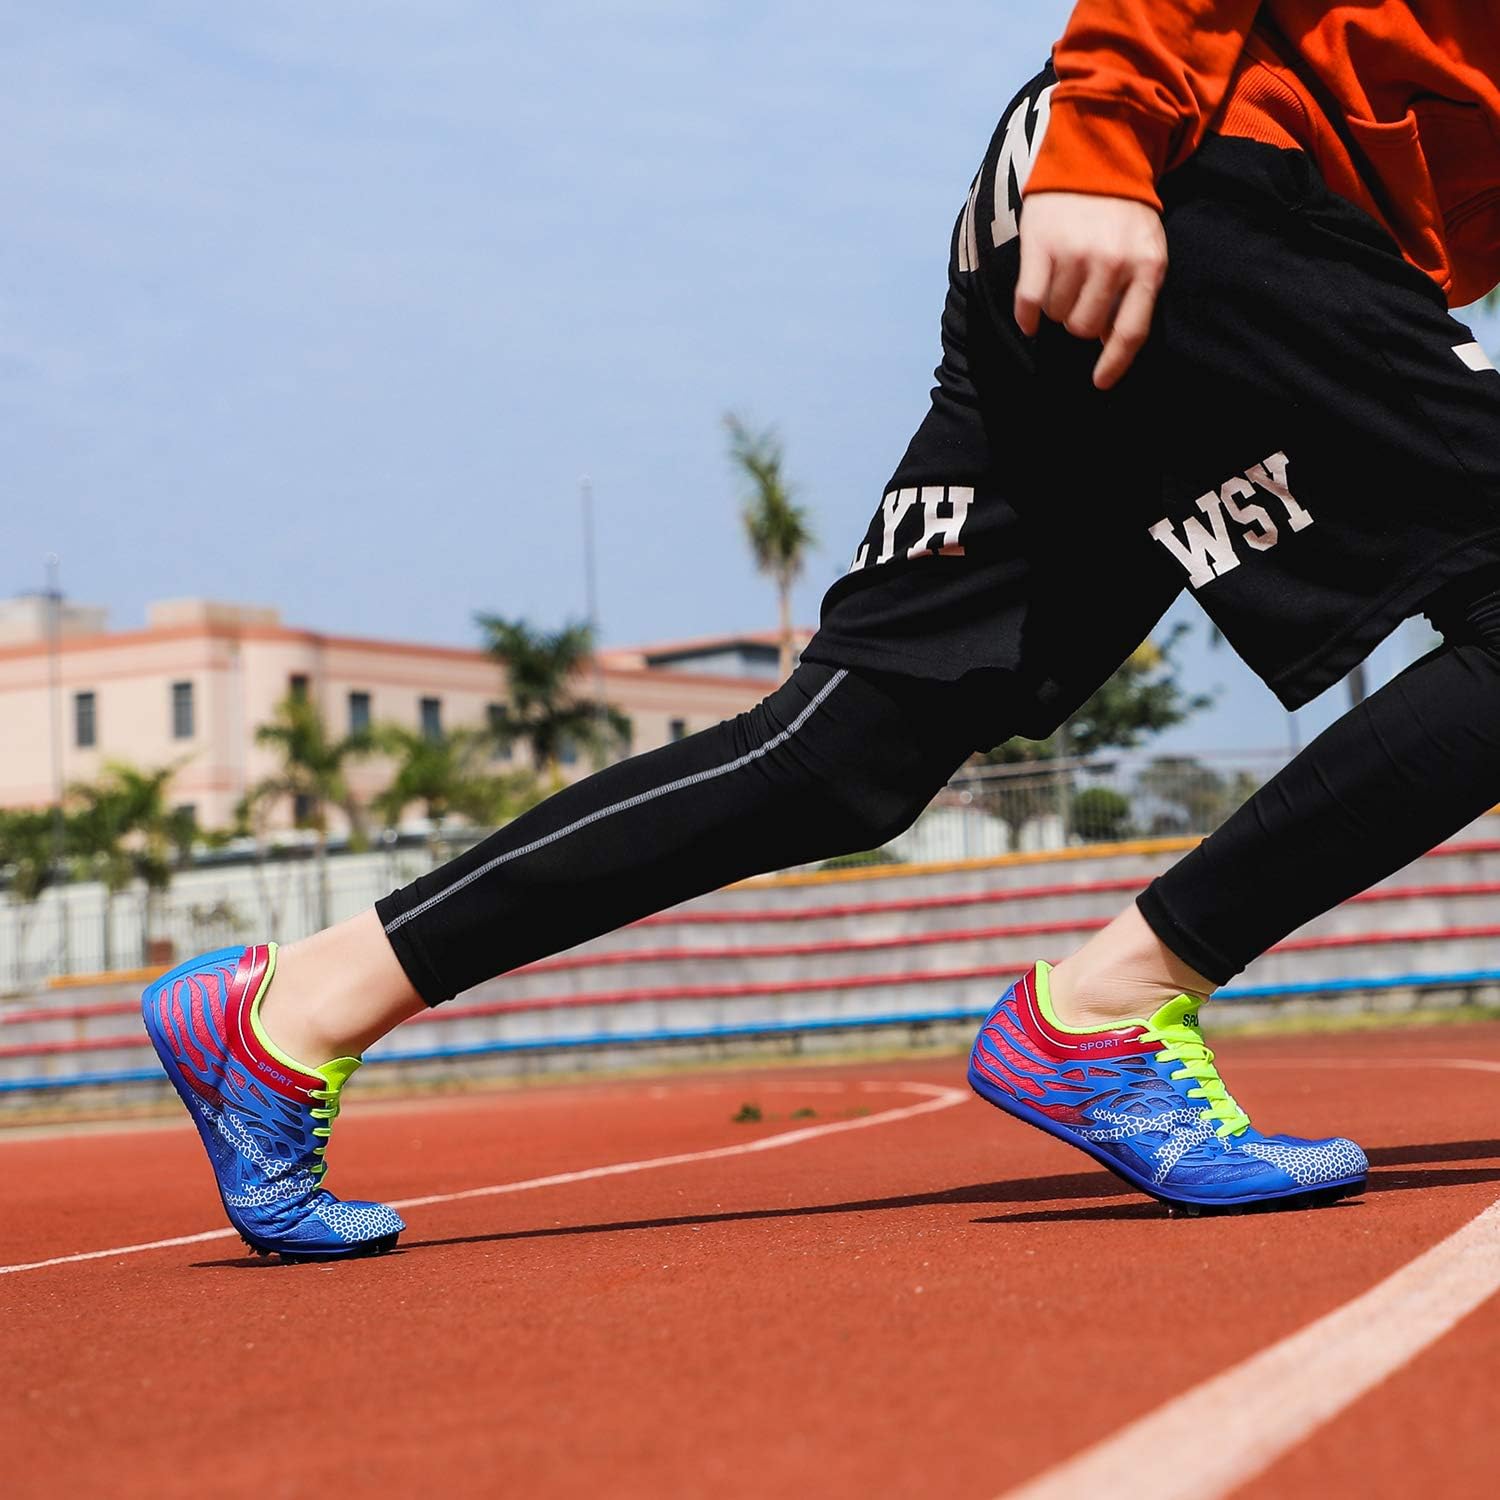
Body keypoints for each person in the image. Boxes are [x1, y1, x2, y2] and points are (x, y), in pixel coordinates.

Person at [142, 1, 1500, 1258]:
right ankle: (1108, 1008)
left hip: (1143, 190)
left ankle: (291, 1013)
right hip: (1210, 171)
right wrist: (1109, 127)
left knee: (844, 752)